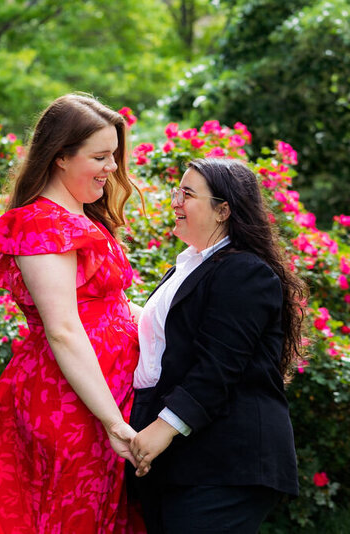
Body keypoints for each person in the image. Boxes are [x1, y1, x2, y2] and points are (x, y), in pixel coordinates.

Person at [0, 93, 146, 533]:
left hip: (102, 397)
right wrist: (113, 421)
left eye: (114, 156)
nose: (113, 168)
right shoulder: (44, 224)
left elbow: (112, 308)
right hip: (71, 403)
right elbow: (62, 328)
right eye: (100, 157)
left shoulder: (80, 217)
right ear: (61, 157)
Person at [128, 158, 306, 534]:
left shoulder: (244, 271)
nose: (175, 201)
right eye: (177, 192)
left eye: (187, 194)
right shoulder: (189, 266)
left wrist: (161, 429)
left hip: (225, 460)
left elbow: (218, 366)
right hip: (183, 458)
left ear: (223, 210)